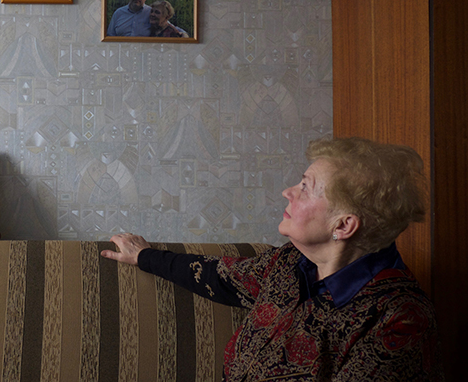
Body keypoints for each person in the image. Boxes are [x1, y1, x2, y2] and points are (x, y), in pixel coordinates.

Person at [102, 137, 444, 381]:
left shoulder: (400, 319)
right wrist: (143, 256)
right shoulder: (291, 263)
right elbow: (218, 276)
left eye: (306, 187)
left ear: (343, 224)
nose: (288, 192)